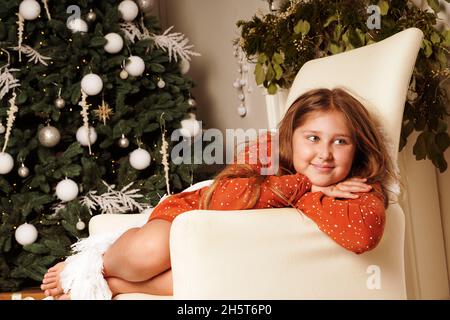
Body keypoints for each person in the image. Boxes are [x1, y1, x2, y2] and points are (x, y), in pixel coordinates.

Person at [40, 88, 398, 299]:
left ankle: (114, 284)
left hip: (231, 255)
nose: (325, 153)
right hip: (192, 215)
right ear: (290, 138)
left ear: (357, 148)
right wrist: (307, 184)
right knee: (152, 251)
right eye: (313, 138)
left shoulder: (358, 184)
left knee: (212, 274)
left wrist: (316, 193)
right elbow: (226, 199)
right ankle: (90, 264)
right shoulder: (269, 151)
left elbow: (362, 234)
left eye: (340, 141)